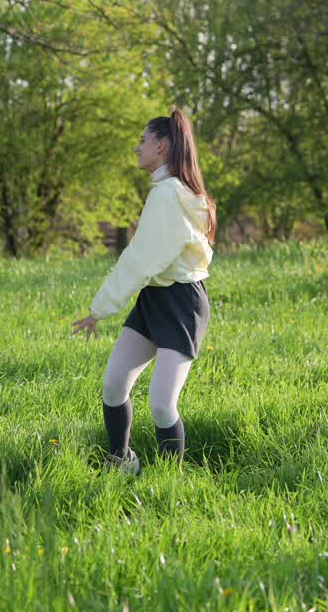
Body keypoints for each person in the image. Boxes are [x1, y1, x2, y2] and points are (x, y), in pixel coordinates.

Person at [72, 108, 215, 473]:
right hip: (154, 299)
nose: (137, 148)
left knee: (162, 404)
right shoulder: (170, 192)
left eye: (143, 141)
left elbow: (140, 259)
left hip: (181, 305)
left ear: (163, 146)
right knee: (114, 383)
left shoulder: (169, 195)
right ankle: (121, 461)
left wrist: (99, 308)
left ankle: (167, 481)